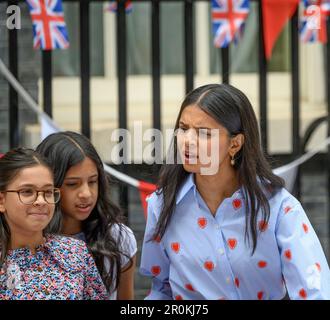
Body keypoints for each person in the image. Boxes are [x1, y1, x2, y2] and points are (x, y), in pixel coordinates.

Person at [140, 83, 330, 300]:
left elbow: (314, 290)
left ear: (235, 144)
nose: (188, 141)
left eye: (203, 133)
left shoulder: (279, 208)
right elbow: (161, 289)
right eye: (183, 129)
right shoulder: (162, 205)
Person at [36, 131, 137, 299]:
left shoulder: (118, 238)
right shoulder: (26, 239)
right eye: (73, 184)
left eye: (92, 181)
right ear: (48, 187)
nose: (86, 193)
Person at [0, 147, 109, 300]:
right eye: (27, 192)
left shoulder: (74, 252)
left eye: (48, 192)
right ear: (1, 200)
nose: (40, 201)